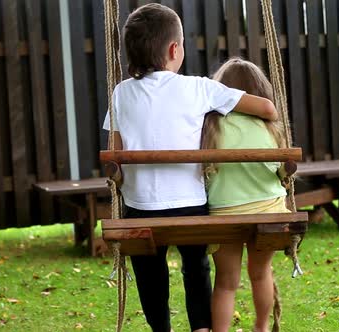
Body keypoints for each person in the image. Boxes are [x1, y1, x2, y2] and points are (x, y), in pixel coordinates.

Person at [102, 4, 278, 332]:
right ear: (174, 49)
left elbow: (115, 155)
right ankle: (201, 327)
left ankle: (162, 329)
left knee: (149, 270)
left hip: (140, 209)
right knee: (196, 264)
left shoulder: (120, 93)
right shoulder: (199, 88)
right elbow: (267, 108)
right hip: (190, 206)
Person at [201, 58, 290, 332]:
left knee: (226, 282)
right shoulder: (269, 128)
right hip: (268, 212)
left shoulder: (211, 128)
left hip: (224, 215)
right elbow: (282, 173)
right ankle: (261, 327)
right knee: (261, 273)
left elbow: (204, 174)